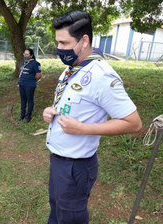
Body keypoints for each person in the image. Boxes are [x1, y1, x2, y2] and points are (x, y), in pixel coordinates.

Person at [42, 10, 142, 224]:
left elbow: (133, 123)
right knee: (56, 212)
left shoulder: (102, 76)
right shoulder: (72, 69)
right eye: (57, 42)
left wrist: (83, 129)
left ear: (84, 40)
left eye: (64, 43)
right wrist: (51, 111)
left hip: (75, 166)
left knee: (70, 217)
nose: (59, 48)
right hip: (58, 159)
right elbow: (71, 104)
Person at [17, 48, 42, 123]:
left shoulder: (35, 63)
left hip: (30, 85)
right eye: (24, 54)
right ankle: (22, 115)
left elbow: (39, 75)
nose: (25, 55)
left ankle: (28, 116)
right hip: (22, 84)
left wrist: (31, 81)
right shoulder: (23, 62)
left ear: (31, 55)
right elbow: (21, 73)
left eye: (27, 54)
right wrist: (19, 82)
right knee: (23, 100)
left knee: (29, 100)